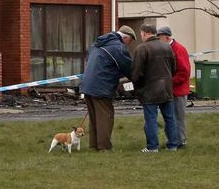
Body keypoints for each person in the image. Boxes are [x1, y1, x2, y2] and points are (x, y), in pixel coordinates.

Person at [79, 26, 135, 151]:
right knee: (105, 116)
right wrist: (139, 78)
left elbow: (106, 64)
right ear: (125, 37)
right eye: (130, 40)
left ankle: (94, 145)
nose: (129, 44)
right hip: (101, 87)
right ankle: (104, 147)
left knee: (94, 117)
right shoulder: (117, 47)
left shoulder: (98, 44)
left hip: (87, 85)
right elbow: (128, 68)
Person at [131, 24, 180, 152]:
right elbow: (174, 69)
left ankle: (152, 146)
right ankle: (173, 145)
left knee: (151, 119)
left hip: (149, 89)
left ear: (144, 33)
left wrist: (136, 87)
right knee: (170, 118)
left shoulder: (142, 48)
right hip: (167, 88)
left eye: (141, 34)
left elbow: (137, 72)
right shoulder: (167, 47)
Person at [158, 26, 191, 147]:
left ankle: (181, 141)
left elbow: (184, 72)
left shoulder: (178, 49)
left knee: (178, 117)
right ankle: (172, 140)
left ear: (167, 37)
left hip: (178, 91)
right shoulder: (168, 49)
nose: (158, 40)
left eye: (160, 37)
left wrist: (169, 82)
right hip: (170, 90)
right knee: (170, 117)